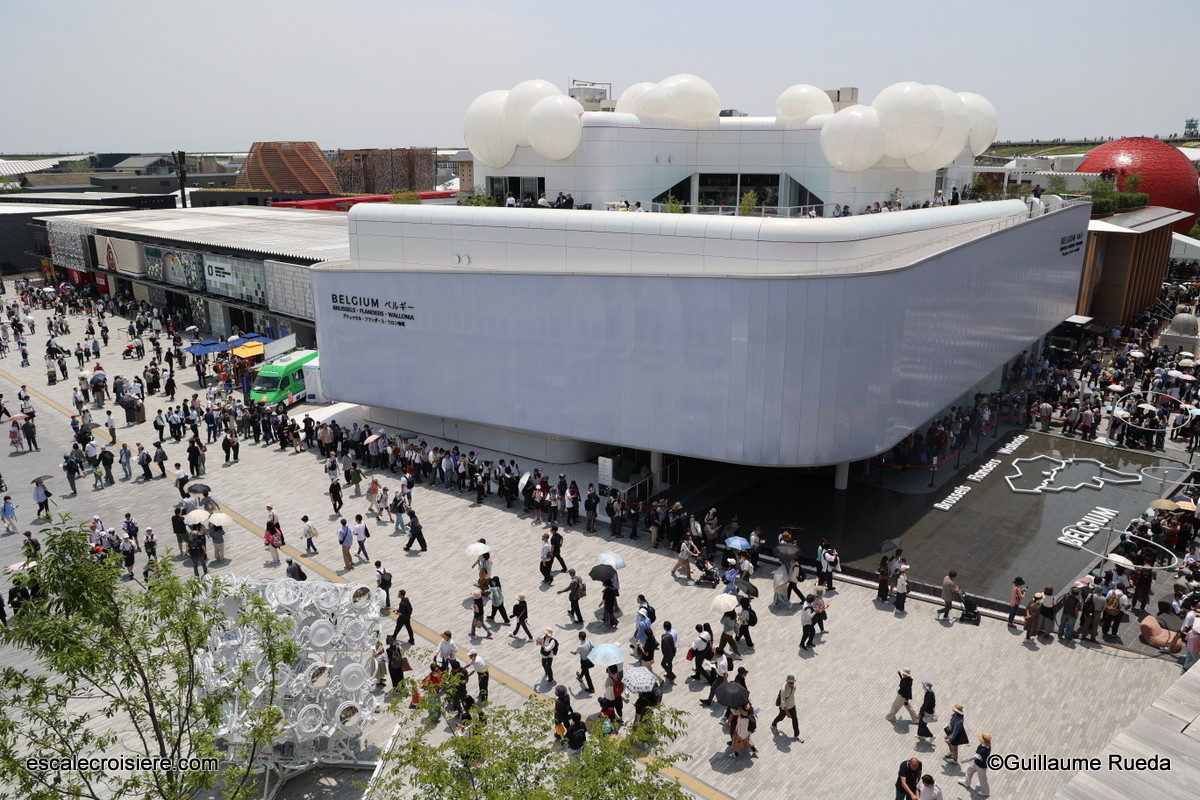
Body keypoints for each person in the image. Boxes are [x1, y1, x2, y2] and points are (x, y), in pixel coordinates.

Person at [770, 675, 802, 741]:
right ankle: (773, 725)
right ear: (787, 682)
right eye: (790, 683)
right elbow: (782, 701)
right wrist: (787, 712)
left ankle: (797, 735)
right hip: (784, 708)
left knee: (795, 719)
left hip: (792, 705)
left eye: (792, 683)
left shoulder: (794, 687)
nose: (791, 684)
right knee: (781, 717)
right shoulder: (783, 689)